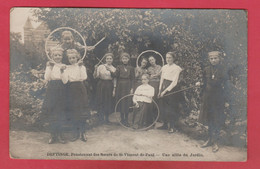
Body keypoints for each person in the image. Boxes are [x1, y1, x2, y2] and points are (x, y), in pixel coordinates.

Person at [198, 51, 229, 152]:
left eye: (215, 58)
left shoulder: (223, 70)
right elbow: (204, 83)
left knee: (216, 120)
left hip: (218, 99)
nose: (213, 60)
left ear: (219, 58)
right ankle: (209, 139)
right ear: (209, 59)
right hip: (207, 98)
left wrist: (226, 100)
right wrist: (199, 84)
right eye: (211, 58)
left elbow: (226, 86)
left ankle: (215, 142)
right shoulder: (206, 69)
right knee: (209, 119)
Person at [61, 49, 89, 142]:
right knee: (74, 111)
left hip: (80, 89)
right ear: (68, 59)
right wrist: (62, 71)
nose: (72, 59)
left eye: (74, 58)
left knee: (82, 111)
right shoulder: (67, 68)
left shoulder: (81, 67)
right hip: (71, 89)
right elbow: (65, 81)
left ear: (77, 58)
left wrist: (80, 67)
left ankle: (83, 132)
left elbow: (84, 77)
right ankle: (76, 132)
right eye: (70, 58)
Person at [42, 46, 67, 144]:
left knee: (60, 112)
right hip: (52, 89)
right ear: (52, 56)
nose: (57, 57)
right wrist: (51, 67)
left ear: (62, 56)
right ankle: (52, 135)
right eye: (55, 55)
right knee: (52, 112)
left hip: (61, 89)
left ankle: (60, 135)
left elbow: (65, 81)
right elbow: (47, 78)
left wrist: (62, 71)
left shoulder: (63, 66)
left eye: (59, 55)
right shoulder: (49, 66)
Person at [158, 52, 183, 133]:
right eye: (167, 57)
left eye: (170, 58)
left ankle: (172, 126)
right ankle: (165, 125)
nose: (168, 59)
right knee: (163, 106)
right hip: (164, 86)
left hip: (171, 89)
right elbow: (161, 79)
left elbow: (174, 82)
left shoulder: (177, 68)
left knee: (171, 107)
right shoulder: (164, 67)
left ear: (173, 58)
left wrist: (165, 91)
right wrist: (160, 90)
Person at [93, 53, 116, 124]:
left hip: (109, 85)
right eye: (107, 59)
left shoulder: (114, 68)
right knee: (101, 100)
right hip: (101, 84)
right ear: (105, 59)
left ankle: (106, 119)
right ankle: (100, 119)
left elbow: (115, 79)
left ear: (112, 60)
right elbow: (95, 77)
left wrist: (114, 89)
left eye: (110, 59)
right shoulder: (101, 66)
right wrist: (95, 69)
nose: (109, 60)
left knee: (107, 101)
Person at [113, 52, 135, 126]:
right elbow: (115, 75)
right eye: (123, 59)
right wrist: (110, 70)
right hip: (120, 86)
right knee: (121, 101)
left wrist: (132, 88)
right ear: (121, 59)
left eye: (126, 58)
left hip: (128, 85)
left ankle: (126, 120)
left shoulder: (131, 68)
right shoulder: (119, 67)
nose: (124, 60)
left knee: (127, 102)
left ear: (128, 59)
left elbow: (132, 79)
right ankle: (122, 119)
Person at [147, 55, 162, 124]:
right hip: (151, 84)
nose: (151, 61)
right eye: (150, 60)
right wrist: (152, 76)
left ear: (155, 60)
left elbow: (160, 75)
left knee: (158, 99)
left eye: (152, 59)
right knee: (152, 99)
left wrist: (155, 75)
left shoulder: (159, 67)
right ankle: (152, 117)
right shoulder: (149, 69)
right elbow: (148, 77)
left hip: (158, 83)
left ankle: (158, 117)